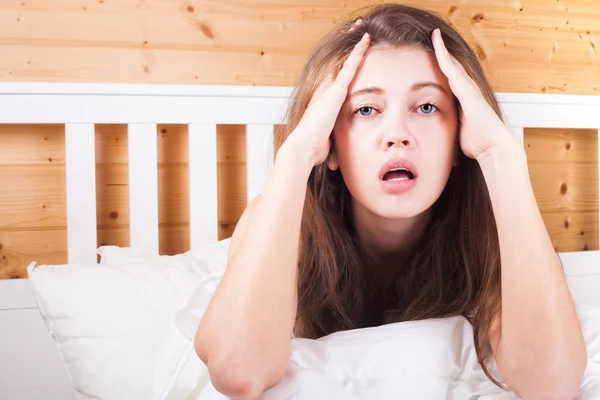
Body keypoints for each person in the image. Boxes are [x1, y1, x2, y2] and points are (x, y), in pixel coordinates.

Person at [194, 4, 586, 400]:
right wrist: (294, 157)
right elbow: (238, 373)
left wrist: (502, 156)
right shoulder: (280, 218)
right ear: (329, 141)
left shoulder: (498, 230)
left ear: (460, 136)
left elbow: (551, 386)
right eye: (366, 109)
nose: (397, 134)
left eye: (427, 106)